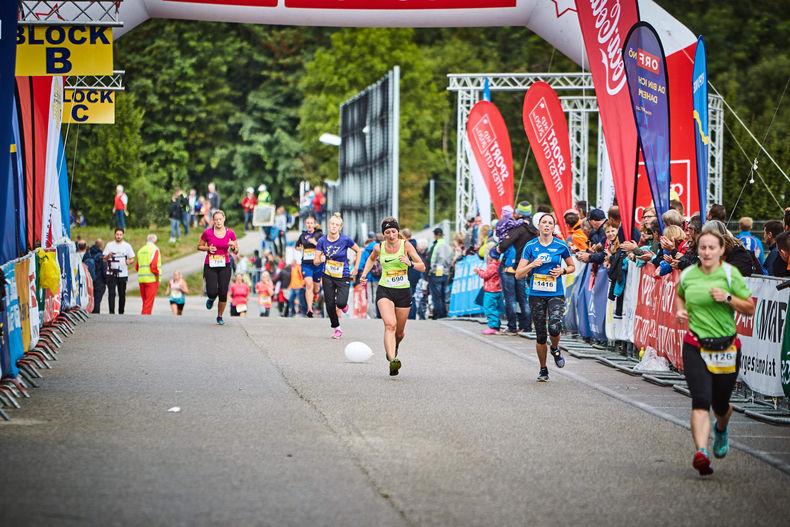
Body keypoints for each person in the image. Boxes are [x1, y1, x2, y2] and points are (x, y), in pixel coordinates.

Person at [675, 229, 755, 476]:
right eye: (702, 248)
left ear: (721, 250)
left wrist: (728, 298)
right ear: (697, 250)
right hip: (695, 344)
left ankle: (721, 430)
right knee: (700, 400)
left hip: (726, 347)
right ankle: (701, 453)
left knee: (721, 405)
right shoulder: (688, 274)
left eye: (712, 248)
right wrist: (680, 311)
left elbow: (750, 308)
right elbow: (680, 296)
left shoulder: (731, 275)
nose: (707, 252)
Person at [359, 217, 425, 376]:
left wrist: (410, 264)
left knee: (399, 333)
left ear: (398, 231)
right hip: (385, 290)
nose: (391, 235)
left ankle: (394, 347)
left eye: (394, 231)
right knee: (390, 324)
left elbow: (422, 266)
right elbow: (370, 259)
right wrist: (364, 274)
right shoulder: (378, 247)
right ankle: (392, 361)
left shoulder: (406, 245)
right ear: (383, 234)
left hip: (403, 292)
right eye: (387, 232)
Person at [515, 213, 575, 382]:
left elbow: (572, 266)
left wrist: (562, 271)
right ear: (539, 226)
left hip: (556, 292)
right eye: (544, 223)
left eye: (550, 223)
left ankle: (555, 349)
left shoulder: (561, 245)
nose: (547, 225)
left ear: (554, 227)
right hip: (536, 294)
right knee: (541, 335)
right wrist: (532, 264)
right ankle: (543, 369)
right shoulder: (530, 246)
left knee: (555, 328)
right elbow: (518, 274)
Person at [314, 212, 363, 338]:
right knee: (329, 305)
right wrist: (322, 259)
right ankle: (337, 328)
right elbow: (316, 260)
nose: (334, 226)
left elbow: (358, 250)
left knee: (340, 303)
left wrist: (356, 268)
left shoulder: (345, 239)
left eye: (337, 225)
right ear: (328, 225)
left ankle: (344, 305)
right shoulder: (322, 241)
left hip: (343, 275)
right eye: (332, 224)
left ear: (340, 227)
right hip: (328, 275)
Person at [197, 209, 239, 325]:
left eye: (220, 219)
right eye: (216, 220)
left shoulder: (230, 233)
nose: (218, 222)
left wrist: (232, 246)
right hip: (210, 264)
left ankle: (220, 316)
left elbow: (236, 251)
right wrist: (207, 248)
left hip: (224, 265)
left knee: (223, 291)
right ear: (213, 221)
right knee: (211, 291)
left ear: (224, 219)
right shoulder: (208, 232)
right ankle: (211, 298)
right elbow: (199, 246)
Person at [295, 214, 323, 317]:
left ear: (315, 224)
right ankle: (310, 309)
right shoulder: (303, 235)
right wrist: (298, 248)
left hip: (317, 264)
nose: (309, 225)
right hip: (306, 264)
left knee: (316, 288)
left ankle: (316, 294)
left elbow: (325, 247)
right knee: (308, 283)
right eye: (307, 223)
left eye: (311, 223)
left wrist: (315, 243)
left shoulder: (319, 234)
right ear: (305, 224)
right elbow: (297, 245)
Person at [103, 228, 135, 315]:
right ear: (114, 235)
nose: (119, 236)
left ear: (123, 235)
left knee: (122, 293)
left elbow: (132, 258)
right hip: (111, 272)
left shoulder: (127, 246)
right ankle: (111, 311)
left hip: (122, 273)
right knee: (111, 293)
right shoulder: (109, 245)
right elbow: (104, 258)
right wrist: (108, 255)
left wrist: (129, 261)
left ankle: (121, 312)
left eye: (120, 235)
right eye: (117, 234)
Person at [427, 227, 452, 319]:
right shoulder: (448, 246)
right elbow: (450, 260)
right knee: (442, 294)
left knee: (436, 295)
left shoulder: (436, 246)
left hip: (436, 272)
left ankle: (437, 313)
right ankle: (443, 312)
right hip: (445, 272)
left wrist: (430, 270)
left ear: (435, 235)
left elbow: (432, 259)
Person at [476, 246, 503, 335]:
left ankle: (493, 326)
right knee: (494, 308)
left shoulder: (492, 265)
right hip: (497, 289)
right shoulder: (498, 265)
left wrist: (479, 272)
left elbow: (486, 275)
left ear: (491, 255)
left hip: (491, 290)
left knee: (489, 308)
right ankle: (496, 325)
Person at [136, 233, 161, 315]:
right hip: (151, 279)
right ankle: (144, 319)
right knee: (149, 302)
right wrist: (157, 276)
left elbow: (137, 267)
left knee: (145, 301)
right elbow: (153, 266)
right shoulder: (155, 249)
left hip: (141, 279)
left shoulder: (141, 250)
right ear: (155, 241)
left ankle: (146, 316)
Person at [88, 239, 106, 313]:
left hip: (89, 281)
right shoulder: (101, 257)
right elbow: (104, 270)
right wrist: (106, 281)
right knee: (97, 301)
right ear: (102, 246)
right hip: (99, 282)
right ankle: (96, 315)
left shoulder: (88, 254)